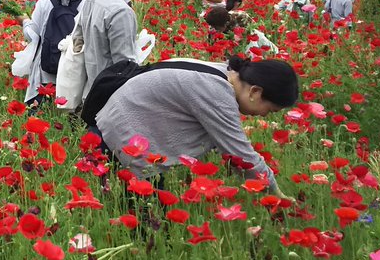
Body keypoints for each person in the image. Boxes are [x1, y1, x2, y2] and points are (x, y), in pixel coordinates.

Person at [95, 56, 298, 197]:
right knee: (148, 216)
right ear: (255, 91)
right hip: (124, 132)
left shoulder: (223, 72)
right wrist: (278, 195)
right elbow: (241, 154)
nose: (264, 115)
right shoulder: (217, 93)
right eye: (269, 109)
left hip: (117, 120)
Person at [22, 0, 91, 105]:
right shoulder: (89, 4)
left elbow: (33, 36)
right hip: (75, 72)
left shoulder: (45, 2)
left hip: (45, 72)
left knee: (42, 114)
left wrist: (24, 22)